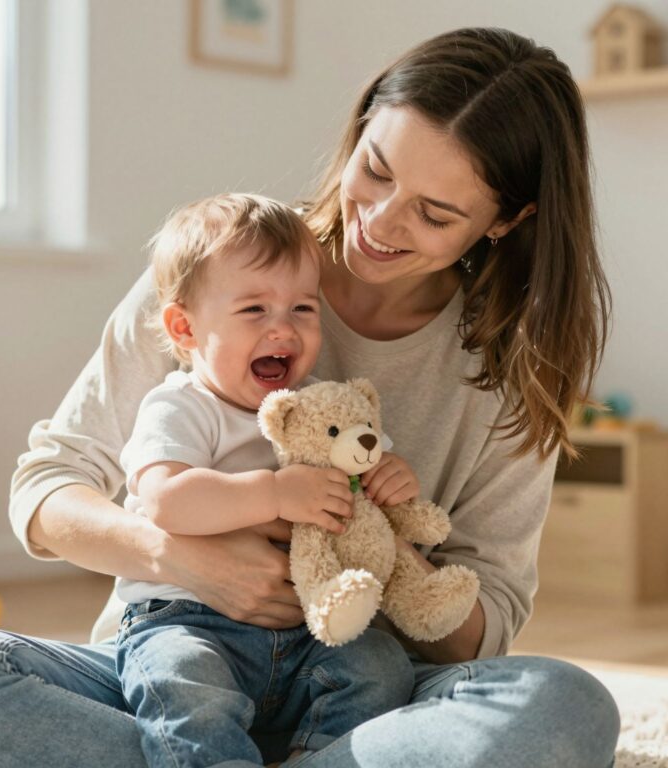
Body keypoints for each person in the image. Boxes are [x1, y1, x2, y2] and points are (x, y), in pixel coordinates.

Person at [0, 27, 620, 768]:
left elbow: (484, 628)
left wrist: (371, 542)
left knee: (564, 708)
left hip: (362, 696)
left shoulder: (509, 364)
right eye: (376, 169)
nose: (381, 221)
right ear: (361, 127)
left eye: (434, 214)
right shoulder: (224, 264)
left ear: (505, 220)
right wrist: (183, 559)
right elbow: (45, 491)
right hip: (172, 670)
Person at [110, 193, 415, 767]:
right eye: (254, 311)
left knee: (378, 664)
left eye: (303, 309)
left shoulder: (308, 409)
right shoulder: (181, 406)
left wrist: (385, 478)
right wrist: (275, 493)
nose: (284, 330)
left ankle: (318, 757)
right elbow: (166, 502)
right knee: (183, 682)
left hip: (302, 633)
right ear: (186, 328)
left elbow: (353, 471)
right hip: (188, 621)